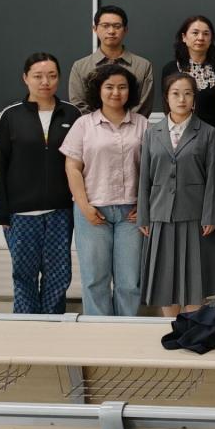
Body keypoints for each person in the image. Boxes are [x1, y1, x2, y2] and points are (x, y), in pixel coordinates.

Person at [0, 52, 81, 314]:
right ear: (25, 78)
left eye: (52, 76)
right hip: (20, 214)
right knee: (24, 275)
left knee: (59, 275)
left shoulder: (72, 113)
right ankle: (25, 327)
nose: (45, 82)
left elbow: (81, 163)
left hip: (61, 212)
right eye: (38, 76)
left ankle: (53, 326)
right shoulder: (10, 116)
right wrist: (1, 213)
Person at [60, 64, 148, 316]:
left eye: (122, 87)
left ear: (130, 91)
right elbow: (72, 167)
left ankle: (126, 329)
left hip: (131, 213)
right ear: (98, 90)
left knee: (129, 281)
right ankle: (99, 332)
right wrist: (84, 206)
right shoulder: (83, 125)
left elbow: (153, 170)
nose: (116, 92)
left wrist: (144, 205)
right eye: (109, 87)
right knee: (94, 279)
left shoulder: (143, 125)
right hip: (92, 210)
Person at [137, 72, 215, 317]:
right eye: (175, 93)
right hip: (160, 215)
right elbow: (144, 177)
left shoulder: (207, 132)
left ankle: (194, 329)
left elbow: (213, 178)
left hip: (195, 216)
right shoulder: (152, 132)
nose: (182, 99)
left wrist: (210, 215)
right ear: (166, 97)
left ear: (194, 99)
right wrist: (143, 215)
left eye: (188, 94)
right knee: (165, 282)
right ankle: (171, 329)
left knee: (195, 282)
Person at [68, 5, 153, 116]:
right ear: (95, 29)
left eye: (117, 26)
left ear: (125, 30)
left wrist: (124, 123)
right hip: (91, 126)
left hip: (134, 126)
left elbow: (144, 106)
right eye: (105, 26)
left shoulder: (143, 66)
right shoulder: (80, 67)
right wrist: (99, 124)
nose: (111, 31)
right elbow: (79, 105)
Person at [161, 15, 215, 132]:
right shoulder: (170, 69)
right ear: (184, 37)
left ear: (211, 39)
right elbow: (167, 106)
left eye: (206, 34)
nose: (200, 38)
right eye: (195, 33)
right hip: (179, 133)